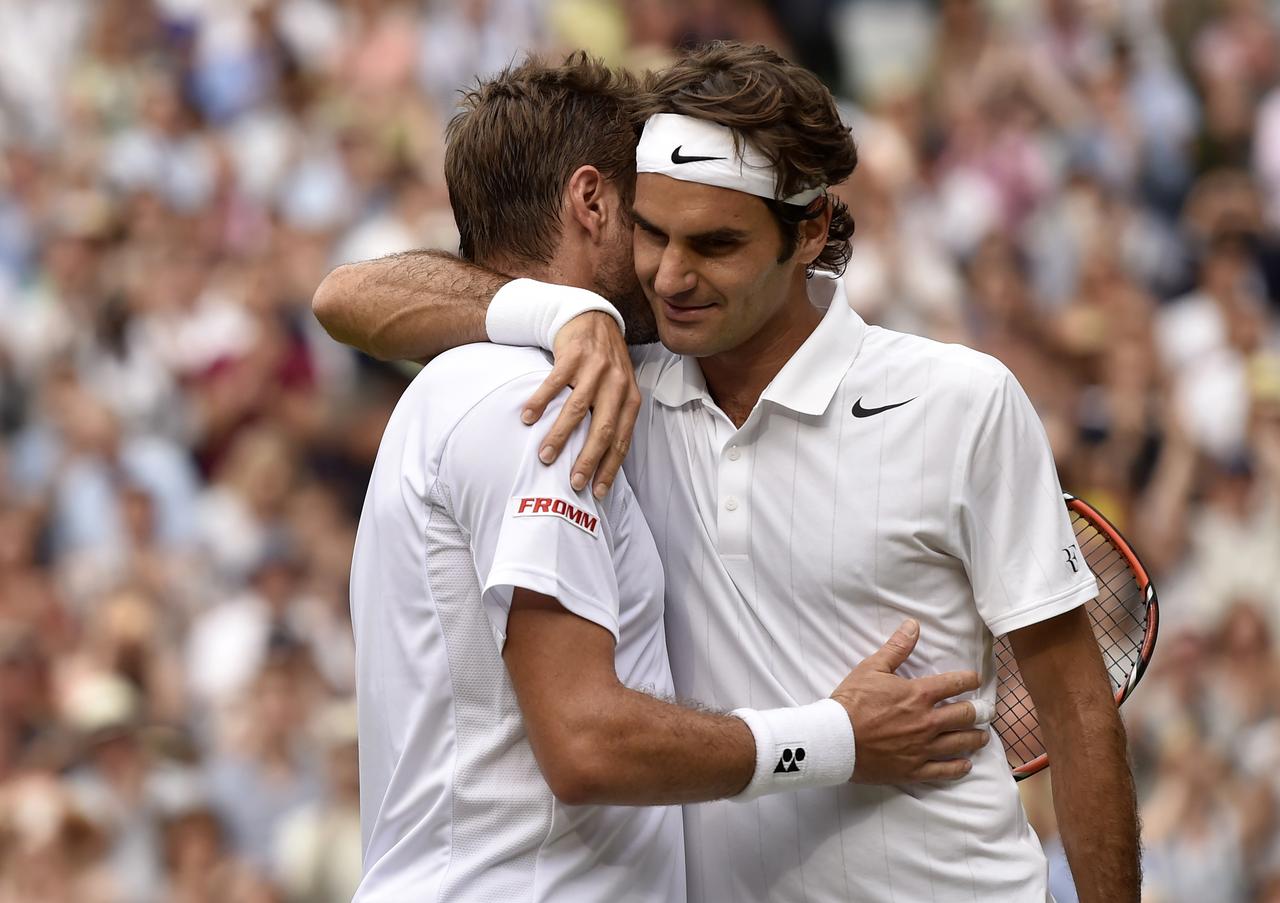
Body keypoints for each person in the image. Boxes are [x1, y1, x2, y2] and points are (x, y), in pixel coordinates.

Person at [343, 53, 989, 903]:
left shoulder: (465, 380)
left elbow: (345, 293)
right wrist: (840, 738)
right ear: (592, 201)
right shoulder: (546, 399)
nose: (667, 262)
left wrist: (566, 313)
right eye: (650, 220)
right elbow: (585, 743)